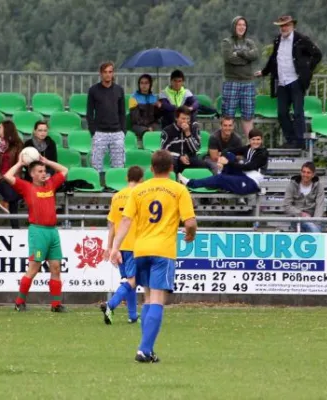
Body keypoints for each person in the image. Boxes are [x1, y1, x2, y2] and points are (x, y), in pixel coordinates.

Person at [109, 150, 197, 363]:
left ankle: (146, 348)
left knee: (147, 298)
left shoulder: (138, 191)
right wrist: (190, 235)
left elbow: (126, 221)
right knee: (158, 299)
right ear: (171, 168)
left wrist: (114, 247)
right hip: (163, 251)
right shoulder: (178, 190)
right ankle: (144, 350)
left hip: (140, 250)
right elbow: (190, 222)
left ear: (151, 168)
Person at [3, 154, 69, 312]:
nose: (43, 173)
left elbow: (65, 170)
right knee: (34, 267)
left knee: (56, 267)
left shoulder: (51, 184)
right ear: (32, 174)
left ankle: (56, 304)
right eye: (39, 171)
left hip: (52, 232)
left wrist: (47, 161)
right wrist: (19, 163)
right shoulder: (27, 187)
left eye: (44, 170)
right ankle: (19, 302)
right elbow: (7, 176)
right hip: (38, 231)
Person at [256, 15, 322, 149]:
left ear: (292, 26)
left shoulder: (301, 39)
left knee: (298, 112)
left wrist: (307, 70)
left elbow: (317, 54)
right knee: (281, 113)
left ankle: (300, 142)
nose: (284, 28)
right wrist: (264, 72)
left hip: (296, 81)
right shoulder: (277, 40)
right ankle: (291, 140)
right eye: (282, 26)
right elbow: (273, 58)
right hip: (282, 81)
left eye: (286, 25)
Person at [101, 166, 144, 325]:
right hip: (135, 244)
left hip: (119, 245)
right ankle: (110, 305)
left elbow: (112, 224)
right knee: (133, 280)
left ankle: (133, 316)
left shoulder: (117, 196)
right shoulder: (141, 195)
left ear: (127, 178)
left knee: (128, 280)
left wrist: (110, 246)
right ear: (142, 179)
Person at [179, 129, 267, 195]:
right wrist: (222, 159)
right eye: (253, 139)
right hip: (244, 175)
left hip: (253, 183)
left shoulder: (263, 153)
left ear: (262, 140)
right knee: (229, 154)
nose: (256, 142)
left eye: (258, 139)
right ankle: (222, 181)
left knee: (220, 178)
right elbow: (228, 150)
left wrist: (227, 163)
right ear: (250, 140)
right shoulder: (248, 148)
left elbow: (248, 167)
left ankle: (191, 183)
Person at [221, 16, 259, 137]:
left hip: (248, 82)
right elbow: (229, 58)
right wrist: (246, 59)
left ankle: (251, 145)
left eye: (244, 25)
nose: (242, 27)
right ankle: (226, 143)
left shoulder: (250, 42)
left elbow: (255, 55)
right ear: (234, 26)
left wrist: (240, 53)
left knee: (248, 115)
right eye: (239, 25)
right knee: (228, 114)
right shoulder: (227, 42)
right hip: (232, 81)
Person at [87, 61, 126, 173]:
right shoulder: (93, 90)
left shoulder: (119, 90)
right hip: (100, 133)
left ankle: (116, 189)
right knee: (96, 166)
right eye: (105, 72)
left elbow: (122, 112)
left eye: (110, 72)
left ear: (113, 73)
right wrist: (93, 131)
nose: (108, 74)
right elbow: (89, 112)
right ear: (101, 73)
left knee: (118, 167)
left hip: (117, 133)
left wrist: (123, 131)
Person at [0, 120, 23, 228]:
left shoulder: (18, 145)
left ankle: (5, 202)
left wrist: (12, 179)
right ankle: (16, 229)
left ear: (6, 129)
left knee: (13, 196)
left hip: (14, 178)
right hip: (1, 180)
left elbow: (20, 163)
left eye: (0, 127)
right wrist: (1, 178)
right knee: (13, 197)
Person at [161, 106, 207, 174]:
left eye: (188, 118)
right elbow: (164, 151)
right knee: (172, 164)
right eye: (183, 118)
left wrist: (188, 133)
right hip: (175, 159)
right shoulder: (167, 131)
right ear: (176, 118)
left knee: (204, 165)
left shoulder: (194, 128)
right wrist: (179, 156)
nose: (185, 121)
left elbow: (196, 149)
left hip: (190, 158)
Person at [283, 161, 325, 232]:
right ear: (301, 172)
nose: (305, 174)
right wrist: (301, 214)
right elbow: (286, 205)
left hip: (314, 219)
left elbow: (319, 206)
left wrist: (315, 221)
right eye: (303, 172)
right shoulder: (292, 185)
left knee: (313, 228)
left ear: (313, 174)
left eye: (308, 172)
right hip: (297, 218)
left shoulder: (319, 186)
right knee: (314, 230)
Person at [129, 74, 162, 139]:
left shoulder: (154, 97)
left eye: (146, 83)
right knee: (147, 133)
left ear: (150, 84)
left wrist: (159, 108)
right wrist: (147, 128)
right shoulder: (133, 98)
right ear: (139, 84)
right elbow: (135, 119)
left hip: (152, 124)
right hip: (138, 125)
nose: (144, 85)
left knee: (160, 133)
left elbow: (157, 118)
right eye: (142, 83)